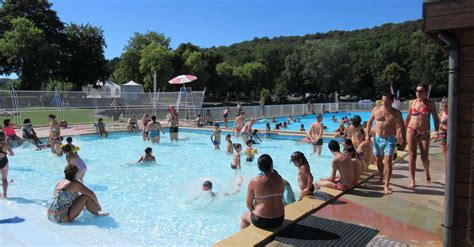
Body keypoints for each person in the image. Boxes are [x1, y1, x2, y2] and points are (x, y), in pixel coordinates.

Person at [366, 93, 406, 194]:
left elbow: (402, 126)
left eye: (387, 100)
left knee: (388, 162)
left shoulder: (396, 113)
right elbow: (369, 122)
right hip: (378, 139)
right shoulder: (376, 110)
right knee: (378, 161)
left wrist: (404, 140)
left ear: (392, 101)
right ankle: (381, 176)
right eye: (383, 100)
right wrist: (367, 135)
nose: (384, 102)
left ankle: (386, 185)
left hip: (390, 139)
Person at [405, 84, 439, 188]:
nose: (418, 93)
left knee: (424, 157)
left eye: (421, 91)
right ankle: (412, 179)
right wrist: (402, 131)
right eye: (417, 91)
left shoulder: (430, 103)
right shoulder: (412, 102)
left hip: (424, 132)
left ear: (426, 92)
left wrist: (437, 131)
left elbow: (435, 118)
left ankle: (427, 172)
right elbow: (407, 118)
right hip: (411, 130)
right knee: (412, 156)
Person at [241, 154, 285, 229]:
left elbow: (248, 204)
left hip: (261, 220)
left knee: (244, 216)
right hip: (279, 219)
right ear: (271, 165)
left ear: (259, 167)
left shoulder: (254, 181)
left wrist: (254, 210)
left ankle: (244, 240)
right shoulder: (279, 178)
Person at [0, 132, 14, 198]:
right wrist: (7, 153)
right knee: (4, 179)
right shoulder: (6, 145)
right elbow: (12, 154)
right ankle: (5, 194)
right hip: (4, 162)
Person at [436, 97, 448, 166]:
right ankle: (447, 169)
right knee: (445, 153)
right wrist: (437, 134)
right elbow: (438, 125)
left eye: (444, 103)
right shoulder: (441, 113)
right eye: (442, 103)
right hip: (443, 134)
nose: (443, 104)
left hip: (450, 134)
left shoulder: (452, 113)